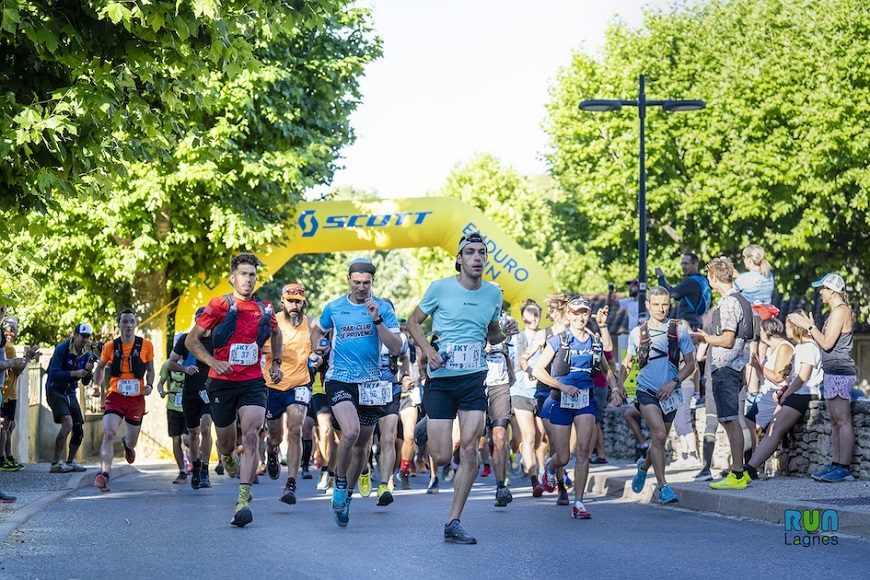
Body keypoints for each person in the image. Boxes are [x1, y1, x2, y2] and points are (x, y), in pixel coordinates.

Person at [406, 232, 518, 544]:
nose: (477, 258)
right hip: (441, 380)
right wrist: (428, 351)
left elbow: (493, 336)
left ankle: (453, 520)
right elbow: (413, 322)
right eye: (470, 253)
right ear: (459, 259)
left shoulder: (494, 294)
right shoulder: (440, 288)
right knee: (442, 457)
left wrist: (505, 332)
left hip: (473, 378)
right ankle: (428, 424)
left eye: (482, 252)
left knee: (469, 449)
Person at [185, 253, 282, 527]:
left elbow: (276, 334)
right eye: (243, 274)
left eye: (252, 275)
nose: (248, 280)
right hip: (221, 382)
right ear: (233, 277)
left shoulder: (264, 308)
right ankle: (226, 455)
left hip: (252, 381)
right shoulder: (219, 305)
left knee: (252, 434)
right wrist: (213, 361)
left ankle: (243, 498)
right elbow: (193, 341)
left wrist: (275, 362)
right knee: (226, 442)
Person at [310, 257, 403, 528]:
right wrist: (319, 346)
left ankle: (347, 496)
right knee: (349, 432)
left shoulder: (383, 308)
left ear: (373, 282)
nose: (362, 287)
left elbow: (396, 347)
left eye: (367, 283)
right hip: (339, 379)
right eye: (357, 282)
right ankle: (339, 483)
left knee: (362, 447)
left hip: (370, 384)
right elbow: (318, 332)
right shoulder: (334, 307)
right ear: (348, 280)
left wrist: (378, 321)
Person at [533, 296, 622, 519]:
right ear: (569, 315)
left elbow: (606, 368)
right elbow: (538, 370)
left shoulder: (593, 341)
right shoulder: (559, 340)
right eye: (576, 313)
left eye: (584, 313)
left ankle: (579, 503)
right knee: (563, 456)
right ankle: (550, 468)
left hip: (585, 399)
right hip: (561, 400)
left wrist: (615, 388)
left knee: (583, 451)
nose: (581, 317)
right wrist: (562, 386)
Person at [623, 287, 697, 504]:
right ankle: (663, 487)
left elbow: (691, 364)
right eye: (656, 304)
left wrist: (673, 383)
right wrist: (620, 390)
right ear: (648, 305)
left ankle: (643, 467)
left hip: (670, 392)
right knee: (660, 435)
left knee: (658, 438)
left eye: (665, 304)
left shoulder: (679, 330)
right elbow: (627, 363)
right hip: (645, 391)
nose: (661, 308)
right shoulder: (637, 333)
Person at [690, 257, 754, 490]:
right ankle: (741, 472)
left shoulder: (728, 303)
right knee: (732, 420)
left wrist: (705, 338)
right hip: (737, 367)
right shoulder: (743, 300)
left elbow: (727, 339)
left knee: (729, 420)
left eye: (709, 277)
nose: (708, 281)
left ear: (715, 277)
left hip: (726, 368)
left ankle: (737, 473)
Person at [791, 273, 856, 483]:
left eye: (823, 289)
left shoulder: (840, 312)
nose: (821, 293)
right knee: (835, 421)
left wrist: (809, 327)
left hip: (840, 371)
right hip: (832, 371)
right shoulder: (835, 312)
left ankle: (844, 467)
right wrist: (813, 329)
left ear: (832, 290)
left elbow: (827, 344)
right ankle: (836, 464)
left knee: (842, 420)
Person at [744, 313, 821, 480]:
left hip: (803, 394)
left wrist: (785, 394)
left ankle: (750, 467)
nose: (785, 330)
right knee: (772, 428)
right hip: (795, 393)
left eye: (788, 326)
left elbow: (803, 377)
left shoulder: (809, 348)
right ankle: (750, 466)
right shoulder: (800, 347)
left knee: (775, 429)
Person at [262, 283, 315, 506]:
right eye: (290, 301)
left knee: (295, 430)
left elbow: (318, 349)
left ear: (304, 302)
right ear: (282, 302)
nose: (294, 306)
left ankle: (291, 483)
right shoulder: (271, 323)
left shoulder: (311, 324)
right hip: (273, 385)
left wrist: (317, 358)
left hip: (300, 384)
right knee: (276, 436)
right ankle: (272, 450)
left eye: (298, 302)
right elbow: (262, 349)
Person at [92, 310, 156, 492]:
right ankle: (104, 474)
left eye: (131, 322)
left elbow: (151, 369)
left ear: (135, 325)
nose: (128, 325)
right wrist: (96, 385)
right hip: (115, 395)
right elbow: (101, 367)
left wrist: (149, 385)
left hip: (136, 399)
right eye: (125, 321)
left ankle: (128, 445)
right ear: (119, 324)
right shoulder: (110, 346)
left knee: (132, 441)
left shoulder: (146, 345)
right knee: (109, 432)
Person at [169, 307, 215, 489]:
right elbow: (171, 363)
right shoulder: (185, 339)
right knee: (193, 433)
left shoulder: (215, 340)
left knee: (206, 428)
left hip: (209, 391)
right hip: (189, 393)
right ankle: (195, 467)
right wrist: (185, 369)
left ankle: (205, 469)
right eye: (198, 320)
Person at [45, 323, 94, 473]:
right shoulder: (62, 349)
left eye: (87, 337)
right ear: (75, 335)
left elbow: (85, 381)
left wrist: (88, 371)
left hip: (70, 392)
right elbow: (53, 373)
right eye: (82, 337)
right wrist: (73, 374)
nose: (85, 340)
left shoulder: (87, 354)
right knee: (67, 422)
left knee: (78, 427)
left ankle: (70, 461)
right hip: (55, 389)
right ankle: (55, 463)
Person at [512, 299, 546, 496]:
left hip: (541, 389)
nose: (534, 316)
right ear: (523, 316)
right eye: (530, 313)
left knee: (543, 437)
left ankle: (543, 470)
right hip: (521, 389)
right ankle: (535, 479)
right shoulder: (516, 337)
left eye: (536, 313)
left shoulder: (547, 336)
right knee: (529, 435)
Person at [744, 318, 793, 456]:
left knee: (752, 426)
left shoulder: (784, 347)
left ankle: (751, 461)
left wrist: (759, 365)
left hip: (775, 394)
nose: (759, 334)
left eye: (761, 330)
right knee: (749, 424)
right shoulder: (773, 349)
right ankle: (749, 461)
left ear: (767, 331)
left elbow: (778, 376)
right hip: (766, 393)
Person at [1, 317, 39, 471]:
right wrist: (28, 356)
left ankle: (8, 456)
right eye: (13, 328)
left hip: (11, 391)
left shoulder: (8, 346)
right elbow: (17, 368)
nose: (14, 332)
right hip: (7, 392)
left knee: (10, 426)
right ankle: (3, 458)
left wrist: (28, 358)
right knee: (5, 425)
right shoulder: (8, 347)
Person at [484, 333, 515, 507]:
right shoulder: (474, 317)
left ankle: (500, 487)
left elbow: (508, 350)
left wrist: (510, 370)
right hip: (478, 382)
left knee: (500, 438)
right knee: (471, 440)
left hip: (500, 385)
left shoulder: (506, 321)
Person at [655, 252, 711, 331]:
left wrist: (660, 277)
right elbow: (675, 292)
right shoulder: (702, 279)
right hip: (697, 322)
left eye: (686, 264)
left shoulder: (691, 282)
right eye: (682, 264)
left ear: (695, 264)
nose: (683, 266)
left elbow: (669, 293)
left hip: (688, 325)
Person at [157, 358, 189, 484]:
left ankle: (196, 461)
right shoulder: (167, 364)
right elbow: (160, 383)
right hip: (173, 406)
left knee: (188, 439)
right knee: (176, 439)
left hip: (189, 405)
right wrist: (161, 391)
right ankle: (182, 471)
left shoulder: (191, 361)